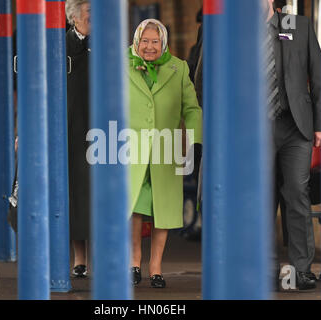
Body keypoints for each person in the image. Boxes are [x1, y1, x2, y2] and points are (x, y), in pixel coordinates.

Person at [128, 19, 203, 288]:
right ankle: (134, 262)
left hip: (166, 148)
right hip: (132, 149)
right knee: (135, 206)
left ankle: (156, 267)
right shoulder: (122, 65)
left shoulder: (179, 68)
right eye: (145, 41)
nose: (150, 47)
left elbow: (192, 108)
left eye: (155, 41)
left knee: (163, 210)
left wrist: (195, 140)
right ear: (137, 41)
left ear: (164, 43)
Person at [262, 0, 321, 290]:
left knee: (297, 193)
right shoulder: (237, 34)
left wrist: (320, 123)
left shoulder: (296, 26)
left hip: (295, 126)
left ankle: (301, 270)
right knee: (262, 199)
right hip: (254, 130)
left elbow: (319, 77)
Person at [66, 0, 91, 278]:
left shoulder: (109, 45)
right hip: (72, 129)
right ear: (74, 18)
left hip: (104, 131)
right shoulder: (60, 46)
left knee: (101, 195)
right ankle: (80, 258)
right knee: (76, 196)